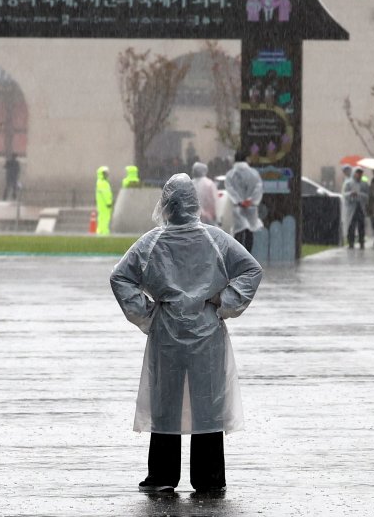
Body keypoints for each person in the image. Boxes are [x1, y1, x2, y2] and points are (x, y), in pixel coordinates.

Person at [110, 173, 262, 495]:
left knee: (166, 402)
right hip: (206, 332)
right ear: (194, 203)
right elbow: (251, 269)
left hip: (167, 333)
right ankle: (208, 477)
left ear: (167, 205)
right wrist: (224, 301)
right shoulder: (215, 240)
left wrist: (147, 313)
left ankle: (163, 475)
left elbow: (120, 277)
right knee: (207, 402)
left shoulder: (152, 243)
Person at [224, 151, 263, 252]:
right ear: (246, 159)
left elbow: (230, 189)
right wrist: (250, 200)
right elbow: (258, 188)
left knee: (238, 231)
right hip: (251, 207)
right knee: (250, 230)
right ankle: (248, 255)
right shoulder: (254, 173)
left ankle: (238, 255)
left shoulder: (230, 174)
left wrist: (239, 201)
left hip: (238, 207)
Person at [343, 167, 369, 248]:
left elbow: (367, 196)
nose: (359, 175)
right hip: (352, 207)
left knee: (361, 225)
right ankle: (351, 242)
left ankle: (361, 241)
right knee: (351, 225)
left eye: (360, 173)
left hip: (360, 207)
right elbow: (345, 195)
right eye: (358, 173)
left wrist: (359, 194)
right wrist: (351, 194)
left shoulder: (364, 184)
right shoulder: (348, 183)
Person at [95, 166, 114, 235]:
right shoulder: (102, 183)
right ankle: (103, 231)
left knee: (102, 217)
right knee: (104, 218)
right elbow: (105, 194)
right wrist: (109, 202)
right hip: (105, 204)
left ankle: (101, 231)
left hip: (103, 204)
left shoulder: (101, 182)